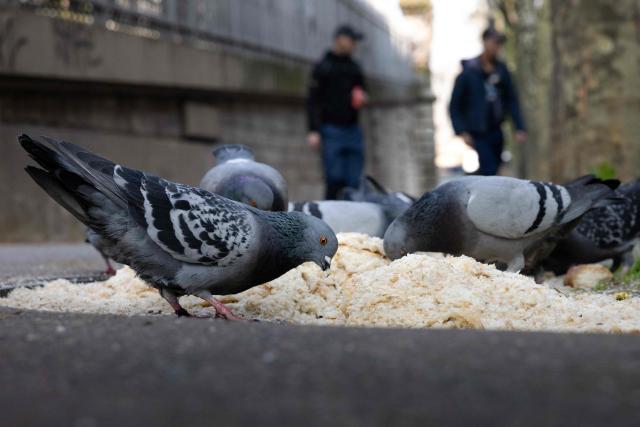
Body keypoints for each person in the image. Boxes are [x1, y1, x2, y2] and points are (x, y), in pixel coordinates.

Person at [449, 27, 526, 176]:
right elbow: (454, 105)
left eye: (500, 43)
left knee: (494, 167)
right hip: (478, 132)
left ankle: (469, 182)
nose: (497, 47)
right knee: (489, 168)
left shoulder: (502, 70)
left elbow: (511, 99)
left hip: (496, 130)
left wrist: (519, 127)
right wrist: (462, 131)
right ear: (484, 42)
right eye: (494, 42)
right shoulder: (468, 72)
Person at [307, 24, 368, 199]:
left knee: (354, 181)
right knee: (334, 178)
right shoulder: (323, 67)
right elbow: (312, 101)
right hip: (331, 129)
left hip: (353, 129)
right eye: (352, 40)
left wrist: (362, 97)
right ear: (340, 39)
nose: (354, 44)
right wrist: (313, 130)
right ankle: (332, 218)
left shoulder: (355, 67)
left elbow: (363, 91)